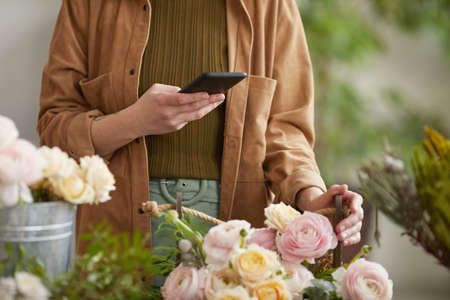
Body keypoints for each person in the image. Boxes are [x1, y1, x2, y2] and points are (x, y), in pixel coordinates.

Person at [38, 0, 364, 255]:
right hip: (116, 221)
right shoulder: (89, 4)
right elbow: (54, 126)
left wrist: (311, 196)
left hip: (238, 228)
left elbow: (286, 131)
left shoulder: (270, 4)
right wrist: (133, 121)